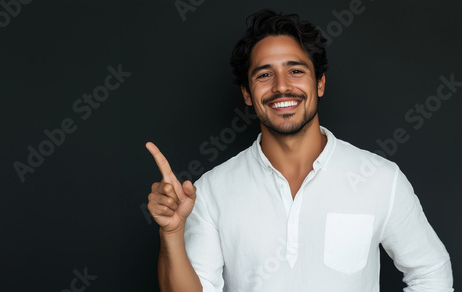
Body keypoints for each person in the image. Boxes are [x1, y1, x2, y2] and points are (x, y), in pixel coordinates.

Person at [145, 9, 453, 292]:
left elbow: (430, 272)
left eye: (295, 71)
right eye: (264, 74)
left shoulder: (380, 179)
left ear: (319, 83)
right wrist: (171, 233)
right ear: (247, 94)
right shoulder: (211, 190)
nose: (281, 86)